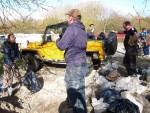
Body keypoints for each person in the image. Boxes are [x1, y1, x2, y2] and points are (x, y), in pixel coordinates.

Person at [51, 9, 88, 113]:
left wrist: (56, 39)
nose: (67, 19)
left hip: (74, 64)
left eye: (68, 17)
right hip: (82, 63)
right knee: (80, 89)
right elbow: (75, 43)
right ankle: (81, 110)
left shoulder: (71, 28)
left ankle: (77, 110)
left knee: (72, 89)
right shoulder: (82, 30)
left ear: (71, 18)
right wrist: (61, 37)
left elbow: (61, 46)